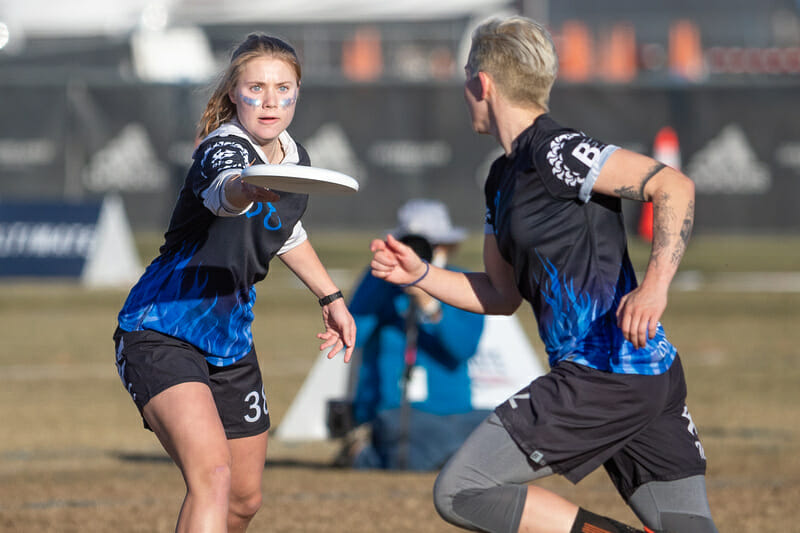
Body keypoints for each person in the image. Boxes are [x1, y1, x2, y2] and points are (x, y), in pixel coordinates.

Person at [369, 16, 717, 533]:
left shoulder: (556, 151)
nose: (464, 89)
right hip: (636, 380)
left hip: (606, 375)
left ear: (482, 82)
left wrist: (655, 287)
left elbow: (674, 187)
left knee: (463, 490)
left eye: (467, 76)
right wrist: (420, 274)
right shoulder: (501, 177)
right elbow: (500, 294)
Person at [113, 34, 355, 533]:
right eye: (256, 87)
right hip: (162, 328)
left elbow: (285, 232)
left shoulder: (294, 159)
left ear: (298, 93)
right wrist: (246, 185)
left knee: (243, 500)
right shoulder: (222, 147)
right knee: (213, 476)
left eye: (282, 88)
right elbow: (226, 191)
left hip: (231, 341)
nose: (270, 100)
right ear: (233, 94)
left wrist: (330, 297)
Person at [341, 199, 490, 471]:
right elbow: (351, 337)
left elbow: (463, 348)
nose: (417, 254)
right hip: (397, 411)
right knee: (424, 450)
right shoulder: (379, 283)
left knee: (494, 432)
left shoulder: (464, 283)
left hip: (453, 410)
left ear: (446, 247)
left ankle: (370, 456)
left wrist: (430, 302)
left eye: (428, 246)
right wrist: (382, 278)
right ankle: (365, 454)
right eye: (409, 246)